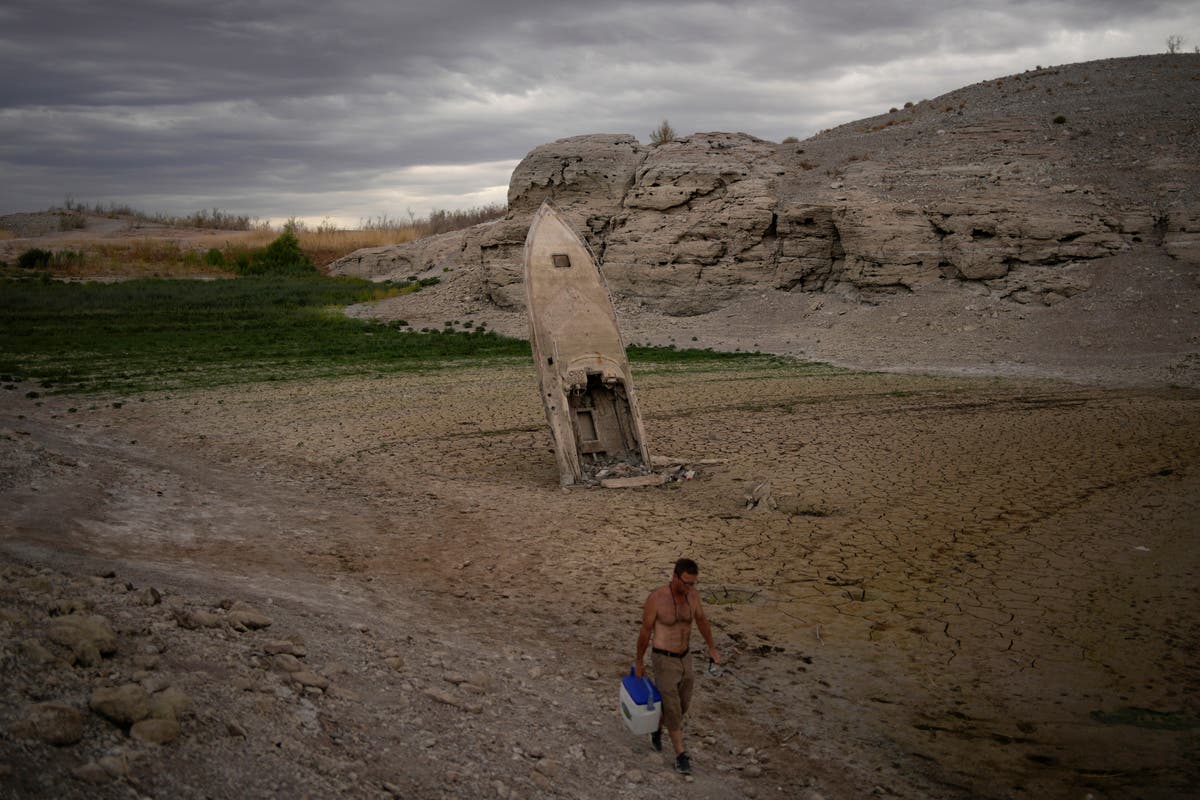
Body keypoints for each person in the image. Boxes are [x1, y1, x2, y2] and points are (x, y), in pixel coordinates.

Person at [635, 557, 720, 775]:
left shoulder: (693, 596)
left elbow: (701, 620)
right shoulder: (657, 599)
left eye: (693, 583)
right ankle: (681, 756)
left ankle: (656, 728)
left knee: (682, 705)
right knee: (672, 707)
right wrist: (639, 661)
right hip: (663, 658)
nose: (690, 587)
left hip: (685, 657)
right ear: (675, 577)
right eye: (686, 582)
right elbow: (645, 631)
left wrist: (712, 648)